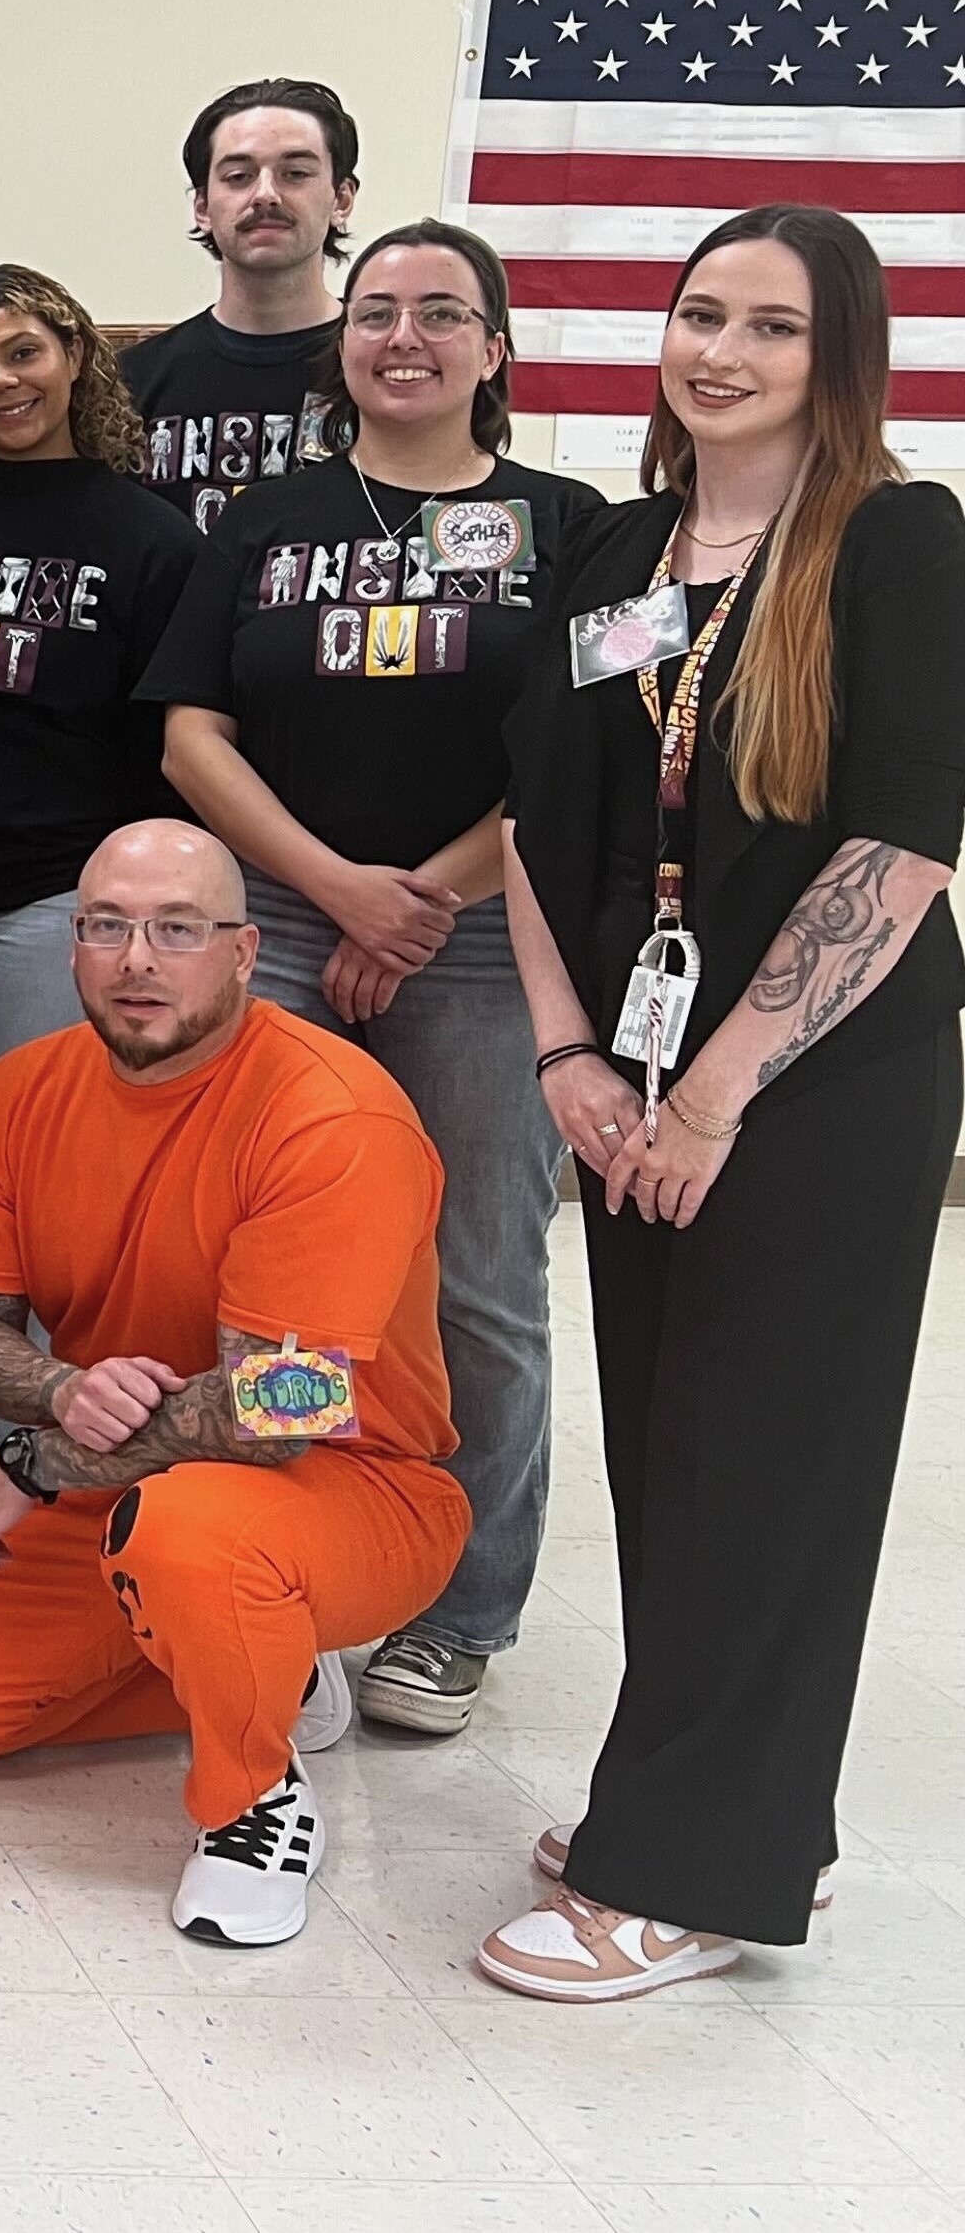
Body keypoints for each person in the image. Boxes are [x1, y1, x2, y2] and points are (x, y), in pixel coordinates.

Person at [488, 205, 965, 2000]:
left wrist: (714, 1092)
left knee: (772, 1461)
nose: (721, 350)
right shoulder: (616, 550)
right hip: (625, 1073)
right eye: (701, 312)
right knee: (675, 1456)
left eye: (771, 326)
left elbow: (904, 840)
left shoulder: (898, 541)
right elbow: (542, 818)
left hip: (818, 1081)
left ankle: (692, 1870)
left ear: (836, 359)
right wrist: (570, 1060)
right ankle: (725, 1805)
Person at [142, 219, 607, 1738]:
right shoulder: (263, 519)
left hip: (487, 940)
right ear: (343, 345)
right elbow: (190, 736)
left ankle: (460, 1609)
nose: (403, 336)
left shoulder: (572, 523)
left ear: (494, 346)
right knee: (260, 1266)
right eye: (377, 312)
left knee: (477, 1278)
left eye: (441, 312)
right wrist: (336, 888)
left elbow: (578, 751)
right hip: (274, 922)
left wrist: (424, 899)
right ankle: (277, 1556)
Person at [0, 821, 464, 1950]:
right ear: (73, 947)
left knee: (192, 1531)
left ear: (242, 954)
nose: (137, 959)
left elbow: (290, 1408)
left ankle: (254, 1804)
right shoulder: (19, 1092)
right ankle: (263, 1661)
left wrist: (37, 1455)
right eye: (107, 927)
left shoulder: (332, 1113)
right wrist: (55, 1386)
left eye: (177, 930)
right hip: (127, 1476)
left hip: (356, 1489)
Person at [0, 263, 203, 1468]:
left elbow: (163, 747)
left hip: (47, 901)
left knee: (21, 1194)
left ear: (73, 355)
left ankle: (0, 1456)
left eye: (22, 353)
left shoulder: (150, 537)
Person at [120, 79, 359, 532]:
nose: (266, 194)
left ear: (341, 199)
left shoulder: (391, 369)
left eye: (295, 174)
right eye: (238, 176)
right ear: (204, 207)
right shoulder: (129, 383)